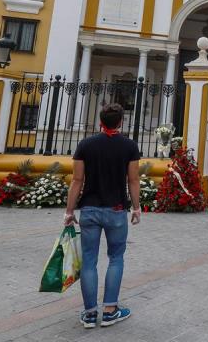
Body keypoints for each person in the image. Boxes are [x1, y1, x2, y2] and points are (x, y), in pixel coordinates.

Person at [64, 103, 141, 329]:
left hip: (89, 209)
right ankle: (109, 310)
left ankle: (89, 314)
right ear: (121, 122)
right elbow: (133, 180)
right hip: (116, 210)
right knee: (116, 258)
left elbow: (77, 181)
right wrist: (136, 208)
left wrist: (69, 211)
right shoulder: (129, 146)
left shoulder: (85, 145)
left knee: (89, 260)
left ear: (100, 121)